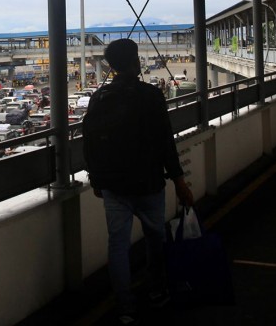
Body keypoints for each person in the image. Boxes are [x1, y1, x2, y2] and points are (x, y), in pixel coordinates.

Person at [82, 38, 194, 323]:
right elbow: (165, 142)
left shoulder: (99, 97)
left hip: (113, 185)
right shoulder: (150, 95)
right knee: (155, 238)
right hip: (147, 181)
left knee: (117, 246)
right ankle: (157, 291)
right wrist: (179, 180)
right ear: (136, 62)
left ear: (111, 64)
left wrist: (97, 179)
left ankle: (125, 307)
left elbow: (89, 143)